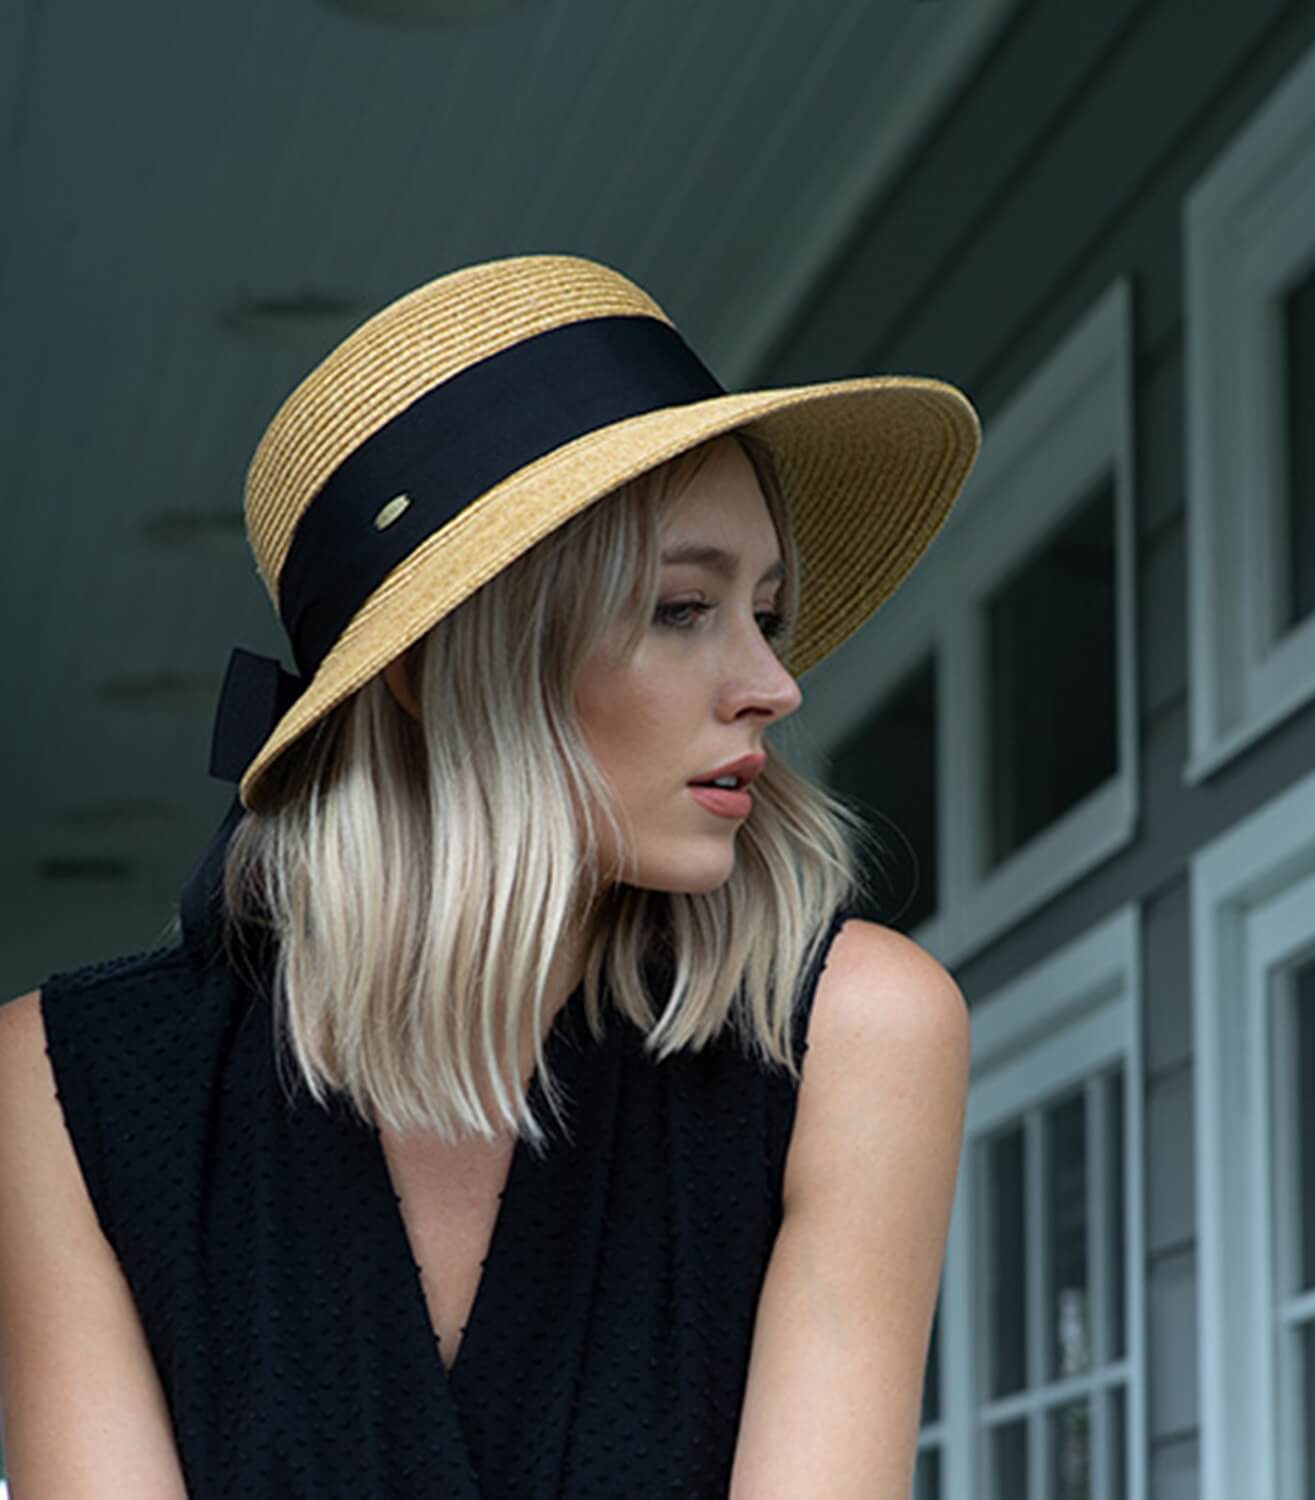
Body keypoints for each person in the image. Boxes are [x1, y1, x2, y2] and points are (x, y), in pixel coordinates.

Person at [0, 254, 980, 1498]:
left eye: (766, 614)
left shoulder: (848, 1034)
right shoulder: (69, 1085)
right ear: (438, 670)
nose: (774, 684)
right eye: (684, 607)